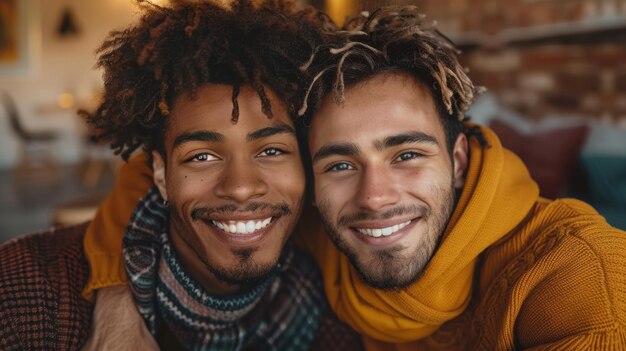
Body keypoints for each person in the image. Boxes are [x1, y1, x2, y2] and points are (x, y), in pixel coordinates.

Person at [79, 5, 626, 351]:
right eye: (339, 164)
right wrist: (116, 302)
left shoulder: (573, 267)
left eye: (406, 154)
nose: (375, 197)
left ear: (458, 159)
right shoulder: (316, 229)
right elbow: (157, 175)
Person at [0, 1, 362, 350]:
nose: (240, 187)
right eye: (202, 156)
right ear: (159, 174)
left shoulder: (327, 313)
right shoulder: (27, 293)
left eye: (271, 151)